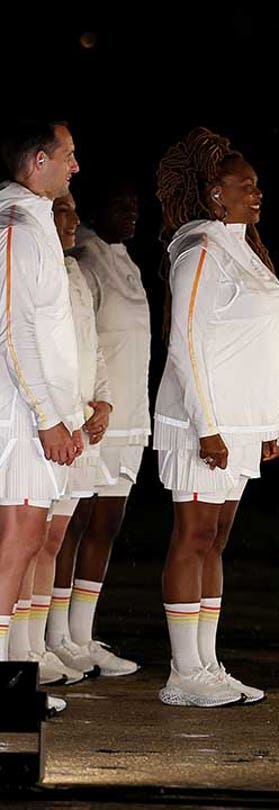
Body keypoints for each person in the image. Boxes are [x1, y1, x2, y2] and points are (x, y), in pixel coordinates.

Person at [152, 128, 279, 707]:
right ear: (214, 192)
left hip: (240, 423)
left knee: (219, 539)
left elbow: (264, 342)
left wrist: (269, 425)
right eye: (245, 185)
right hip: (200, 423)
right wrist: (207, 425)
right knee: (195, 534)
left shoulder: (242, 246)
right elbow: (184, 343)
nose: (256, 193)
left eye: (257, 185)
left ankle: (207, 663)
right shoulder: (199, 249)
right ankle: (183, 673)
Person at [0, 120, 85, 716]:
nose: (74, 166)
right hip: (16, 413)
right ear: (37, 160)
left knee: (26, 542)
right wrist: (48, 416)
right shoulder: (18, 226)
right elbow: (14, 326)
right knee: (18, 541)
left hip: (30, 411)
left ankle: (8, 678)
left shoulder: (33, 225)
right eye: (68, 156)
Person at [47, 179, 148, 678]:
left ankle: (81, 634)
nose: (131, 212)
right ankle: (54, 633)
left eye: (135, 204)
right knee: (72, 525)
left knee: (103, 526)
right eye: (121, 202)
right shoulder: (83, 255)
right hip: (84, 420)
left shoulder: (123, 260)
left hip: (123, 413)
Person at [34, 192, 114, 687]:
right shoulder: (36, 269)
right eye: (62, 211)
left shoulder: (75, 272)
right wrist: (63, 413)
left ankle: (37, 646)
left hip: (80, 425)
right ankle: (23, 649)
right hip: (50, 427)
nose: (74, 221)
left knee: (53, 540)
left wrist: (101, 401)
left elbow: (93, 349)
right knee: (32, 541)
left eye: (75, 212)